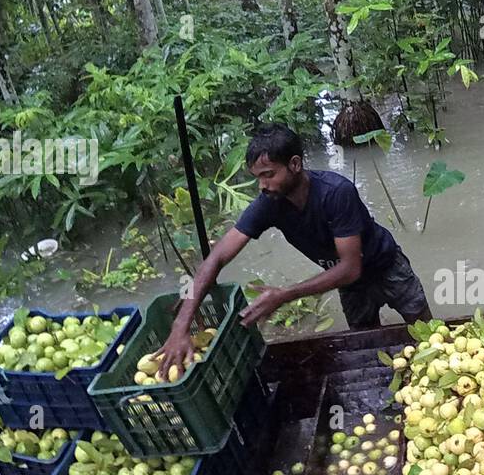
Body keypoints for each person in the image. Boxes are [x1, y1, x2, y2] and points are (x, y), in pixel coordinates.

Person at [156, 123, 431, 375]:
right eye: (257, 178)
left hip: (386, 267)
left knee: (428, 333)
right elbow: (217, 257)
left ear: (295, 164)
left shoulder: (336, 192)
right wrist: (181, 325)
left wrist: (285, 295)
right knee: (364, 345)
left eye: (269, 175)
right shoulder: (269, 203)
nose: (262, 185)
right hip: (350, 286)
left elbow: (351, 267)